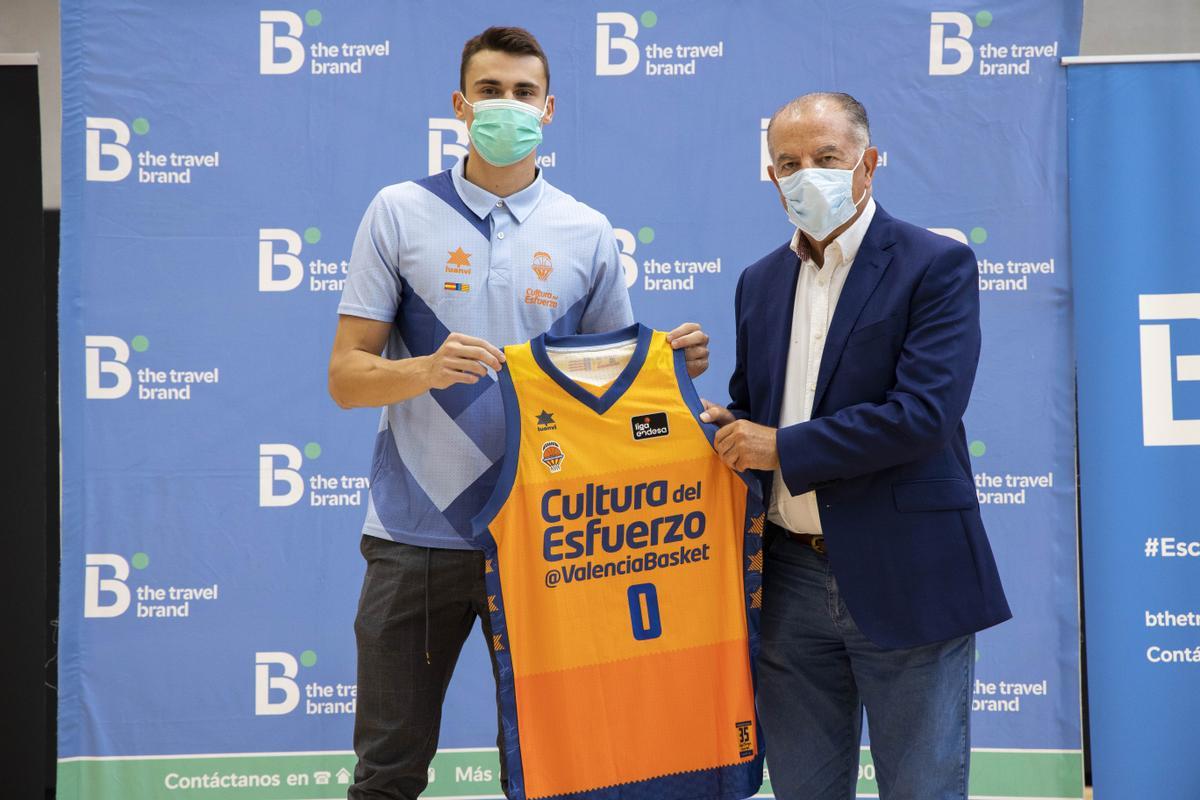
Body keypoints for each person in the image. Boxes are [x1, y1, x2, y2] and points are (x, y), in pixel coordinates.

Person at [327, 26, 711, 800]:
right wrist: (424, 369)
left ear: (550, 107)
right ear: (460, 105)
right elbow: (346, 377)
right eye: (491, 91)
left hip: (550, 539)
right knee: (387, 772)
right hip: (415, 538)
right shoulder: (397, 211)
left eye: (523, 93)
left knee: (555, 771)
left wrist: (671, 366)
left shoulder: (587, 230)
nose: (508, 106)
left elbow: (610, 395)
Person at [700, 92, 1011, 800]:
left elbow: (922, 415)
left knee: (922, 788)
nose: (805, 174)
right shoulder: (759, 282)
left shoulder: (936, 265)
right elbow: (760, 413)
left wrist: (780, 446)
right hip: (789, 583)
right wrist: (722, 424)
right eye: (788, 163)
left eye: (826, 158)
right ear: (771, 177)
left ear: (868, 165)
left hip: (909, 572)